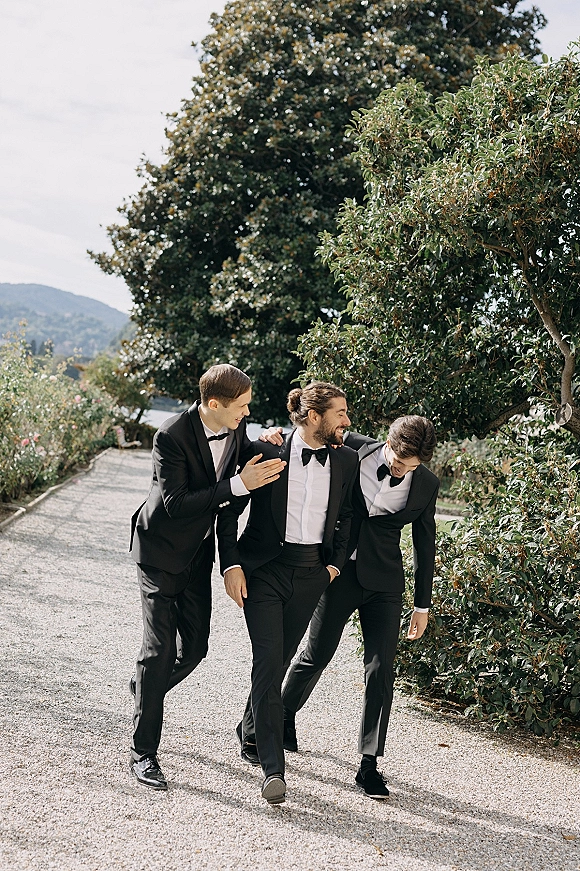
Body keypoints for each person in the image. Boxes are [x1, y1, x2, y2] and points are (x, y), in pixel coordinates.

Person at [262, 415, 438, 800]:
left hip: (385, 585)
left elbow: (426, 546)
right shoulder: (352, 445)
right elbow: (307, 431)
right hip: (337, 574)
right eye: (397, 458)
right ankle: (285, 713)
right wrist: (273, 433)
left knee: (381, 669)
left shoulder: (426, 484)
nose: (401, 469)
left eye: (410, 466)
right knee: (316, 654)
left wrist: (422, 605)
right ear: (388, 441)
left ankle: (369, 763)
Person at [128, 364, 286, 790]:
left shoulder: (234, 425)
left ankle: (146, 686)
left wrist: (271, 439)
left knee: (195, 649)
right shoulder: (170, 435)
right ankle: (144, 753)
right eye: (242, 406)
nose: (246, 412)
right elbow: (176, 502)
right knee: (158, 649)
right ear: (214, 404)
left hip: (198, 554)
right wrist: (238, 485)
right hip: (159, 553)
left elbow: (244, 449)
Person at [219, 382, 359, 805]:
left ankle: (250, 729)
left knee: (279, 660)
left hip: (311, 573)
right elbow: (229, 510)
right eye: (340, 413)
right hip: (263, 572)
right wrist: (231, 564)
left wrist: (333, 566)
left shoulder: (348, 459)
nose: (347, 421)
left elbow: (350, 515)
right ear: (314, 416)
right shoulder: (268, 452)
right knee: (267, 660)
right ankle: (272, 769)